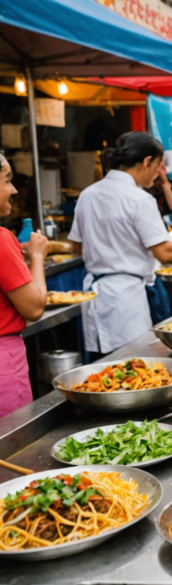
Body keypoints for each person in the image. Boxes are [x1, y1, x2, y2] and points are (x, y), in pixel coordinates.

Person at [69, 132, 172, 356]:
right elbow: (164, 252)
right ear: (146, 162)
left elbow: (77, 247)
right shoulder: (140, 199)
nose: (158, 173)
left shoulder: (87, 194)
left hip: (94, 295)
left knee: (100, 368)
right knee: (134, 364)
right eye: (158, 165)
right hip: (126, 299)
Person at [0, 154, 48, 418]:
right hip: (3, 363)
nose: (14, 190)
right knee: (9, 448)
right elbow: (34, 306)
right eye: (7, 181)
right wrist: (37, 256)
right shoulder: (2, 239)